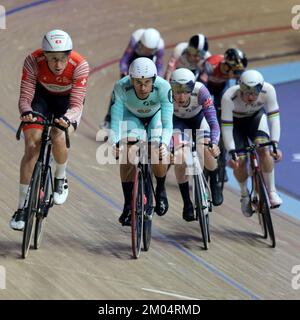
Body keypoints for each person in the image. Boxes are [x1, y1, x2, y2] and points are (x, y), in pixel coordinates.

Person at [10, 29, 89, 230]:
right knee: (31, 145)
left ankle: (60, 177)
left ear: (69, 55)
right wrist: (27, 112)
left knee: (58, 136)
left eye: (63, 58)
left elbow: (77, 105)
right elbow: (26, 97)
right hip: (41, 98)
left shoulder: (79, 65)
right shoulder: (32, 60)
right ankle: (21, 207)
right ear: (44, 55)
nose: (58, 64)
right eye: (53, 59)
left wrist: (66, 119)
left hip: (67, 104)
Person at [109, 57, 173, 226]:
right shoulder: (121, 86)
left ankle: (160, 188)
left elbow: (167, 124)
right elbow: (115, 121)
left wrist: (164, 144)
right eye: (138, 83)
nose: (143, 88)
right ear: (131, 80)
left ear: (154, 80)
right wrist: (114, 143)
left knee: (156, 150)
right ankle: (128, 205)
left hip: (155, 116)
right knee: (128, 154)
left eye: (146, 83)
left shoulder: (164, 86)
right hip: (132, 116)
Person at [221, 69, 282, 217]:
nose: (250, 96)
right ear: (239, 87)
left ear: (261, 88)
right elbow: (227, 127)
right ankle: (244, 195)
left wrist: (274, 143)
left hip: (255, 119)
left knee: (264, 150)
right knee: (240, 161)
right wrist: (231, 151)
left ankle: (272, 191)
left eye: (254, 92)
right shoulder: (229, 97)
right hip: (235, 125)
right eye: (246, 92)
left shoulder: (269, 90)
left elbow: (274, 118)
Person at [170, 68, 221, 220]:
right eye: (177, 91)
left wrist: (214, 142)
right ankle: (187, 203)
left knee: (206, 149)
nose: (181, 96)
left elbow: (213, 121)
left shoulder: (201, 91)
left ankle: (214, 182)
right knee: (180, 158)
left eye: (185, 91)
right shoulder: (165, 94)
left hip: (199, 120)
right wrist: (171, 148)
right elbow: (164, 125)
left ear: (192, 89)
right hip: (178, 123)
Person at [99, 28, 165, 135]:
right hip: (133, 64)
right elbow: (125, 59)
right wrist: (124, 72)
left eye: (150, 50)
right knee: (118, 91)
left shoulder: (160, 48)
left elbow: (159, 67)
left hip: (148, 67)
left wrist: (156, 81)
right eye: (144, 48)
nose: (147, 51)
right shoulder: (135, 39)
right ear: (140, 43)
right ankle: (108, 118)